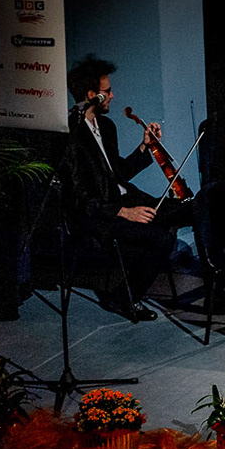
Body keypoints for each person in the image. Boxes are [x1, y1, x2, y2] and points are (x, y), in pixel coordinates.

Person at [58, 56, 187, 321]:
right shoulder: (70, 134)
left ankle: (219, 283)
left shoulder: (106, 126)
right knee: (162, 239)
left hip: (124, 200)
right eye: (107, 91)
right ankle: (123, 298)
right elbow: (79, 198)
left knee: (189, 209)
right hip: (101, 217)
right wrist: (123, 212)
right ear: (92, 96)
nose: (113, 96)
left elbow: (117, 173)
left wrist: (145, 146)